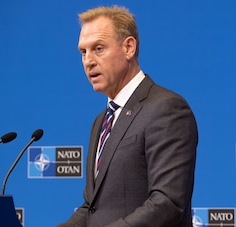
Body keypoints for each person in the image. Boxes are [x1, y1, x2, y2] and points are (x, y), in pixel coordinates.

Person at [57, 5, 198, 227]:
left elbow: (167, 202)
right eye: (83, 52)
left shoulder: (166, 109)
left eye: (99, 48)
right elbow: (92, 207)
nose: (88, 61)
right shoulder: (101, 121)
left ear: (129, 48)